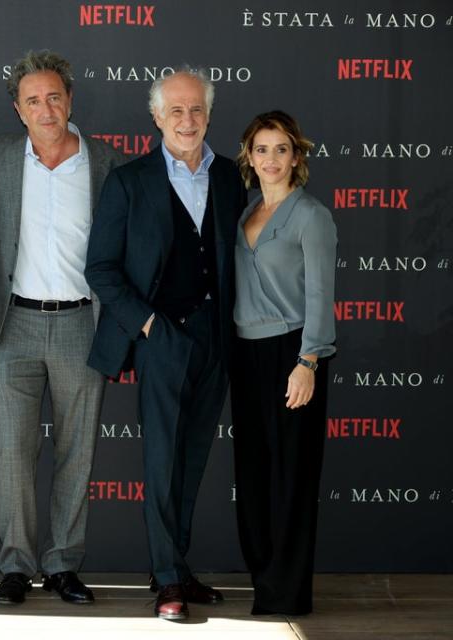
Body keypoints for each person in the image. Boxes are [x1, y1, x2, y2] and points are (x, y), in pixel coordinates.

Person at [85, 68, 246, 620]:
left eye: (196, 109)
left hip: (217, 337)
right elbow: (101, 269)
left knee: (193, 459)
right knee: (161, 460)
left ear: (208, 115)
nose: (186, 120)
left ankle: (179, 565)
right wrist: (149, 325)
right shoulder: (130, 181)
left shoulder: (231, 177)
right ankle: (167, 579)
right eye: (175, 111)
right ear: (156, 117)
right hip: (161, 337)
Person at [0, 50, 125, 606]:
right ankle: (16, 565)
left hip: (80, 326)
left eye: (54, 97)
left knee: (77, 451)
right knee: (12, 453)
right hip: (12, 324)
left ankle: (64, 563)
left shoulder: (105, 162)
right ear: (18, 109)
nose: (46, 108)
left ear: (71, 101)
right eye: (33, 100)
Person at [231, 110, 336, 616]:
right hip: (246, 355)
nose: (270, 159)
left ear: (297, 156)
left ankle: (288, 593)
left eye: (280, 149)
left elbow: (320, 293)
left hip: (294, 353)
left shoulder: (311, 215)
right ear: (249, 157)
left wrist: (309, 361)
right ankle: (264, 580)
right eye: (261, 149)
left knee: (292, 477)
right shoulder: (247, 212)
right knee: (253, 474)